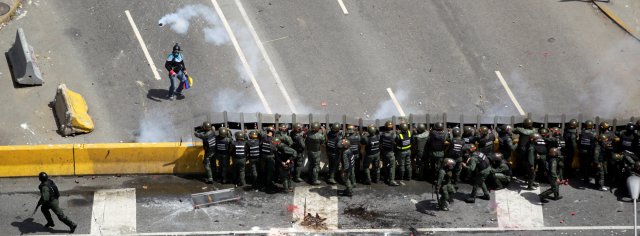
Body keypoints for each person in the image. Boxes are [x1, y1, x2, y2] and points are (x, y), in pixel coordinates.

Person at [380, 121, 399, 186]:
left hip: (384, 153)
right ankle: (391, 180)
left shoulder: (382, 134)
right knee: (392, 167)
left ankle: (386, 178)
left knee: (385, 166)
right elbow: (397, 141)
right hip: (390, 153)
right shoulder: (393, 134)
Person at [260, 126, 277, 190]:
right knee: (270, 171)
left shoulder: (263, 137)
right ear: (273, 132)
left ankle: (263, 184)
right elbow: (275, 149)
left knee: (263, 170)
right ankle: (269, 183)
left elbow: (260, 145)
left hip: (263, 156)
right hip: (270, 157)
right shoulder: (274, 139)